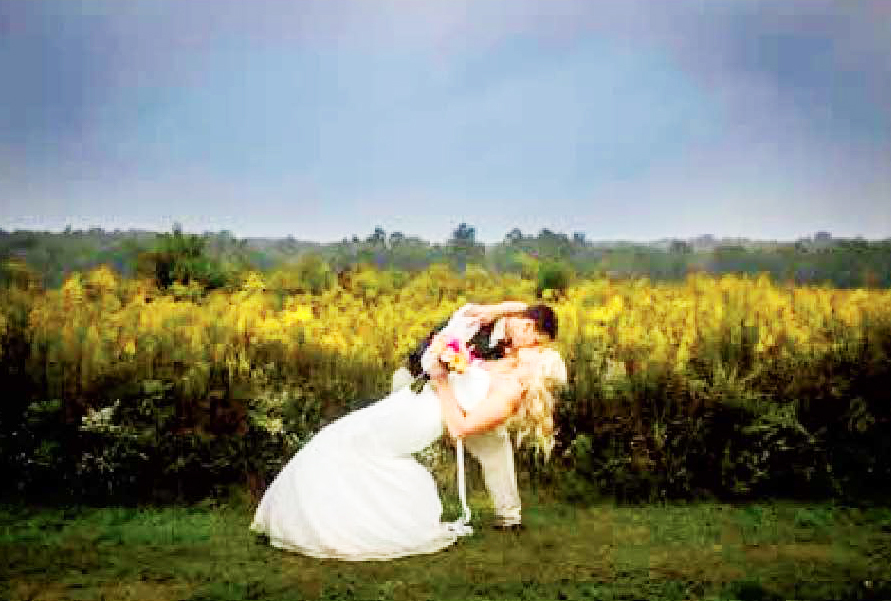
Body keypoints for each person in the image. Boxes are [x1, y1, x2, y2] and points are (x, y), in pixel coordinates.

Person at [249, 303, 566, 561]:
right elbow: (445, 354)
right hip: (413, 392)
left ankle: (507, 516)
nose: (531, 347)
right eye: (536, 341)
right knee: (342, 437)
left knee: (353, 445)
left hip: (433, 409)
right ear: (525, 325)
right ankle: (343, 513)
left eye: (538, 349)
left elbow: (461, 423)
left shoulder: (509, 387)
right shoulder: (490, 341)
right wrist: (448, 354)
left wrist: (444, 379)